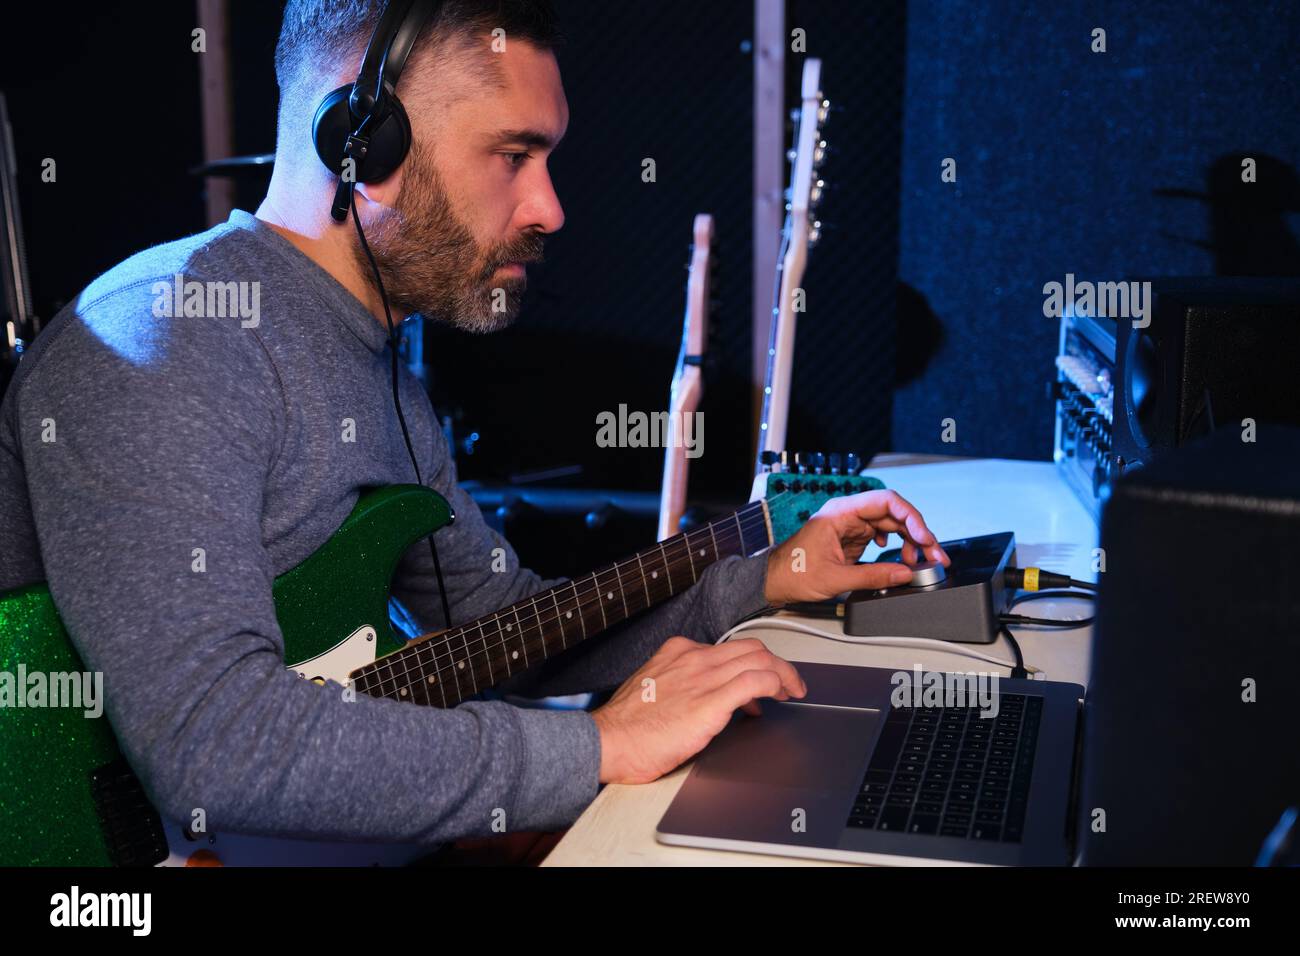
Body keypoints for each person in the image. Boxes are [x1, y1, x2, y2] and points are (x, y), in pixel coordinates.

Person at [0, 0, 949, 862]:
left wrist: (765, 575)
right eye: (513, 156)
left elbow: (499, 626)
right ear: (361, 141)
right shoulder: (171, 336)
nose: (551, 207)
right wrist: (604, 744)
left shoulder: (378, 358)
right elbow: (213, 743)